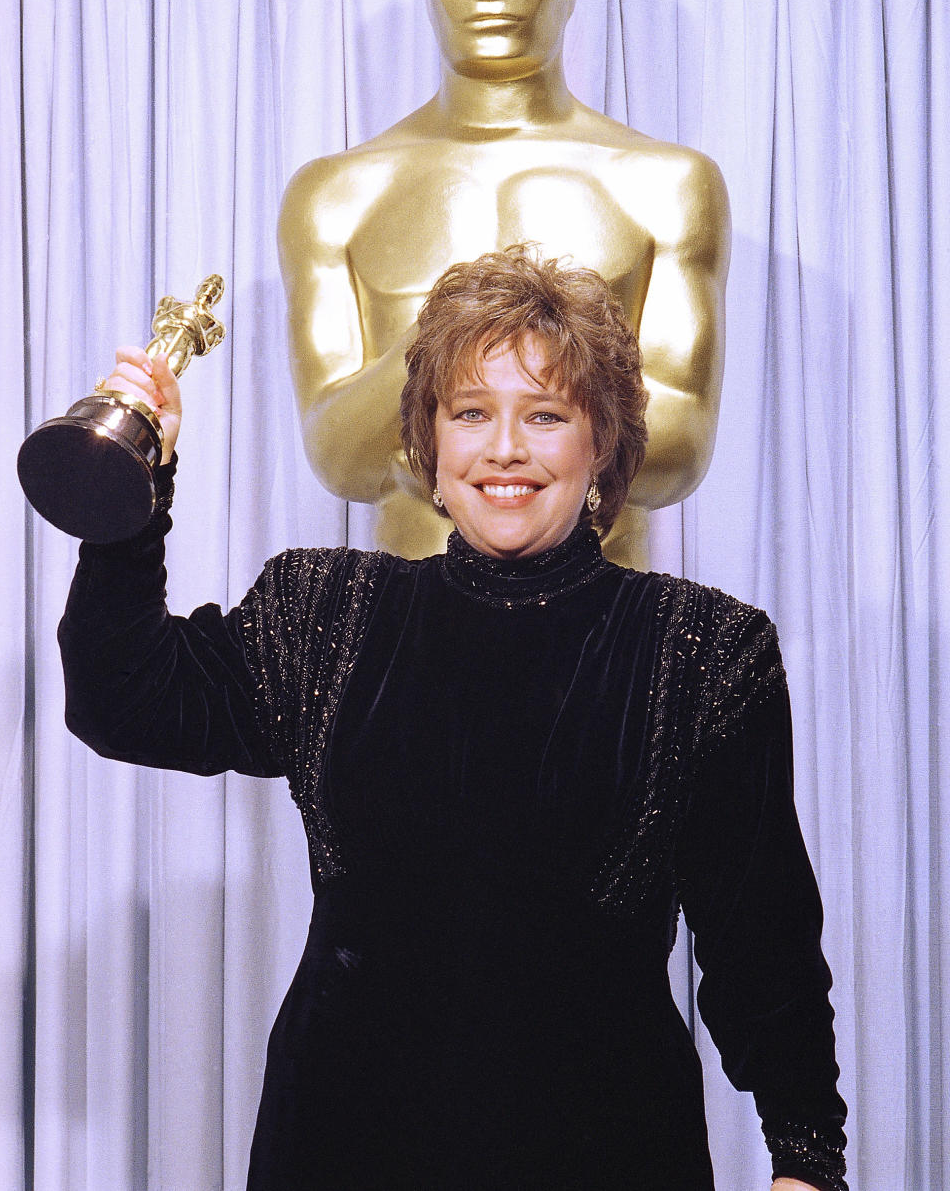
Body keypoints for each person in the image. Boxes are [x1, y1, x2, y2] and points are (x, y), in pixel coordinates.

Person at [60, 247, 846, 1191]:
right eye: (471, 412)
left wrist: (806, 1159)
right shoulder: (326, 614)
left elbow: (763, 945)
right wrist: (131, 485)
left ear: (600, 445)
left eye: (545, 415)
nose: (504, 448)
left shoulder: (705, 652)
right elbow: (121, 696)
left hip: (607, 1155)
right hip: (338, 1152)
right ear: (431, 442)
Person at [279, 0, 730, 569]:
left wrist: (447, 402)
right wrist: (466, 350)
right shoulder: (336, 194)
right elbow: (337, 453)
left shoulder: (666, 183)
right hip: (413, 629)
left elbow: (681, 443)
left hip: (606, 629)